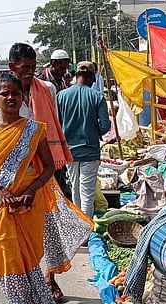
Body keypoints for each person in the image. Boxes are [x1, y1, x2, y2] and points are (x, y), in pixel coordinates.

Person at [0, 72, 92, 304]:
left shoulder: (34, 129)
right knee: (8, 258)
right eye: (4, 93)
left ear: (23, 97)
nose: (10, 97)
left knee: (29, 257)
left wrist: (32, 191)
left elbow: (48, 167)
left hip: (28, 206)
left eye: (15, 93)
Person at [1, 42, 75, 300]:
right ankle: (21, 289)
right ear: (12, 67)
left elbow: (51, 126)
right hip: (14, 174)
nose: (30, 72)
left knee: (50, 224)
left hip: (45, 169)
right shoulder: (0, 96)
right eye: (24, 68)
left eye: (33, 67)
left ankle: (49, 277)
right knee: (17, 231)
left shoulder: (48, 90)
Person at [57, 61, 111, 220]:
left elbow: (57, 124)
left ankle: (78, 227)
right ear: (91, 76)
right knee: (87, 192)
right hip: (90, 151)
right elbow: (106, 124)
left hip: (69, 151)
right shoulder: (97, 96)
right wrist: (95, 133)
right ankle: (86, 229)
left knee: (75, 189)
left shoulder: (62, 96)